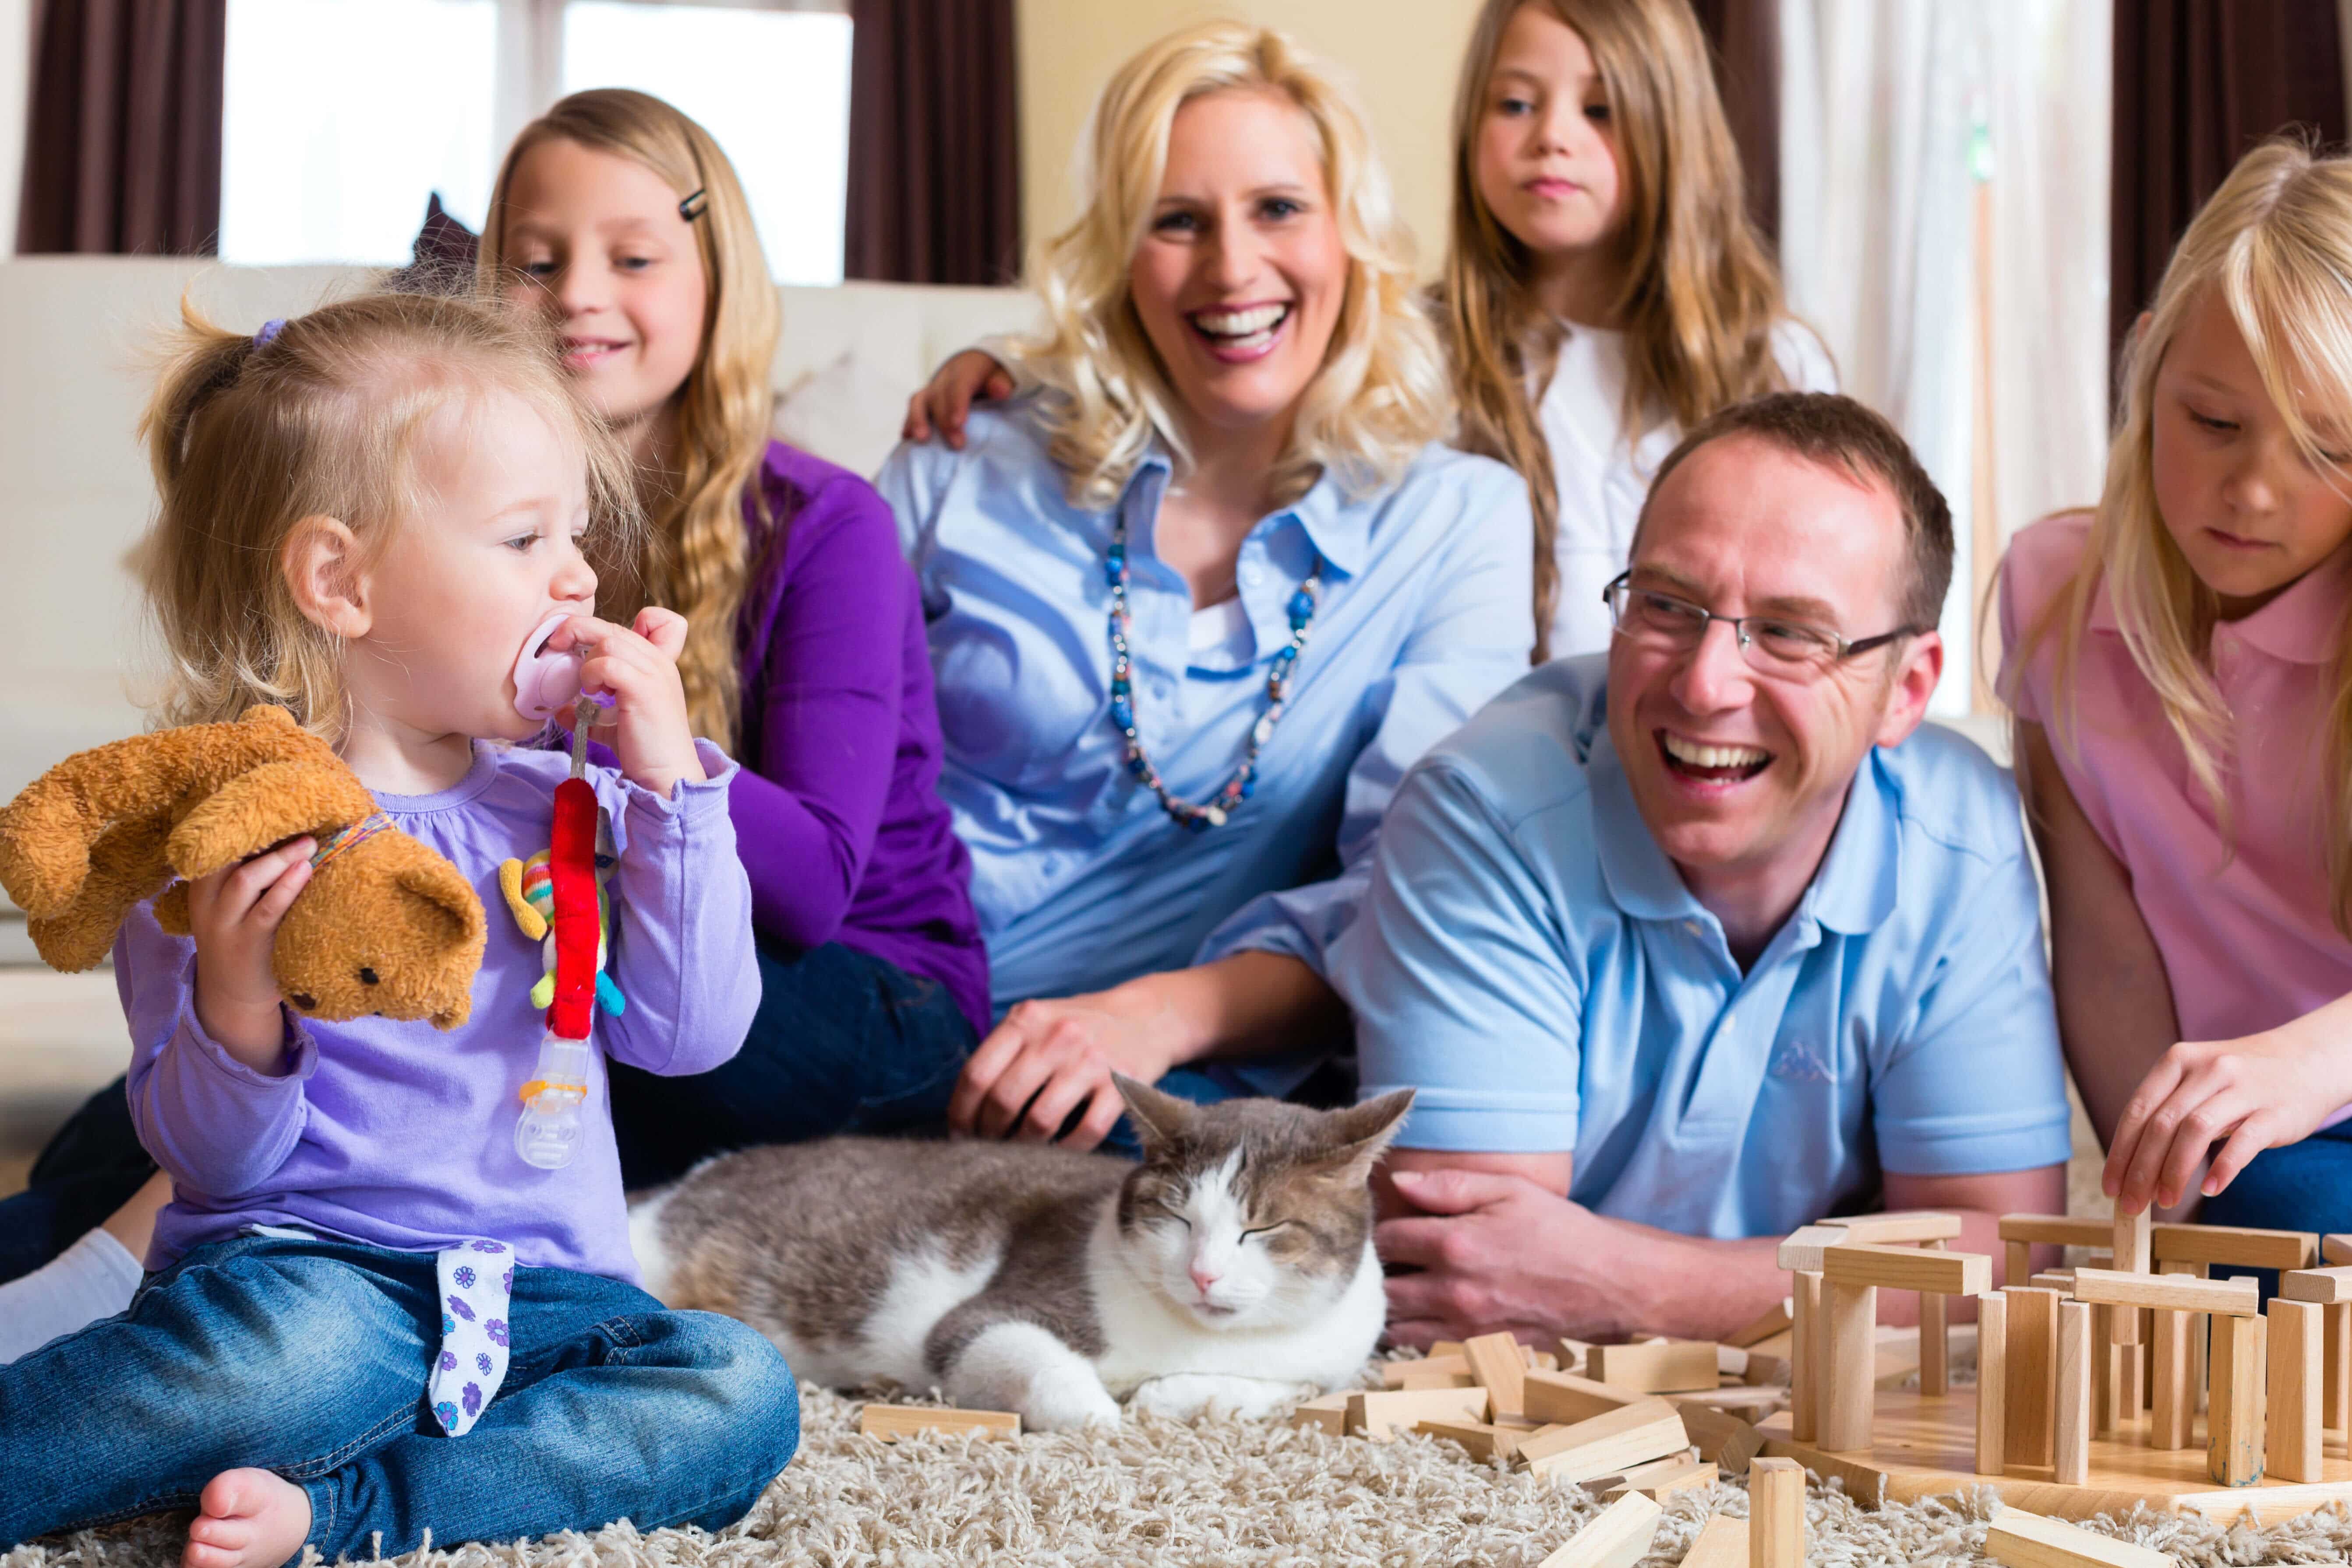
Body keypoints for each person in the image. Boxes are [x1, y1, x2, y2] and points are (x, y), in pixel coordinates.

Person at [0, 89, 990, 1335]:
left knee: (434, 1050)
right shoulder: (451, 509)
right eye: (535, 259)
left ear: (718, 277)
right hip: (573, 921)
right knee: (152, 1107)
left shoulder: (822, 520)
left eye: (632, 256)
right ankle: (96, 1288)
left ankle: (161, 1281)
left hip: (850, 986)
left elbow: (819, 886)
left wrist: (653, 746)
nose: (579, 291)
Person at [0, 293, 792, 1563]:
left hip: (552, 1298)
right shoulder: (233, 833)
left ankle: (349, 1514)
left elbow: (696, 1039)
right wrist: (240, 995)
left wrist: (678, 801)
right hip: (317, 1280)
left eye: (576, 536)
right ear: (341, 581)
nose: (577, 578)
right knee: (282, 1369)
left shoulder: (574, 807)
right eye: (524, 536)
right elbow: (214, 1164)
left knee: (738, 1390)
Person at [877, 21, 1535, 1152]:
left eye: (1279, 209)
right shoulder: (961, 459)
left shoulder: (1454, 522)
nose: (1233, 269)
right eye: (1177, 220)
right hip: (875, 1013)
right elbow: (788, 760)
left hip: (1154, 1100)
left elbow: (1415, 900)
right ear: (1120, 257)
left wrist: (1147, 1020)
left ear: (1351, 238)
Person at [1329, 392, 2072, 1345]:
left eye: (1795, 632)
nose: (1704, 683)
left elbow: (2004, 1255)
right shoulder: (1484, 809)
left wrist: (1629, 1284)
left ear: (1908, 689)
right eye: (1669, 606)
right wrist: (1843, 1282)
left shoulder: (1961, 837)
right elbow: (1471, 1282)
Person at [902, 0, 1834, 662]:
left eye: (1601, 109)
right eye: (1515, 104)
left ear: (1678, 132)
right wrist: (1015, 368)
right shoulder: (1407, 350)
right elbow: (1209, 365)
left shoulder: (1768, 363)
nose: (1553, 137)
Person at [2001, 140, 2352, 1236]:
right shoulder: (2051, 592)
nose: (2253, 490)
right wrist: (2156, 1197)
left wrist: (2306, 1059)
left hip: (2320, 1077)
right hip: (2246, 1146)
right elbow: (2104, 958)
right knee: (2263, 1231)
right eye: (2214, 423)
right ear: (2149, 369)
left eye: (2322, 449)